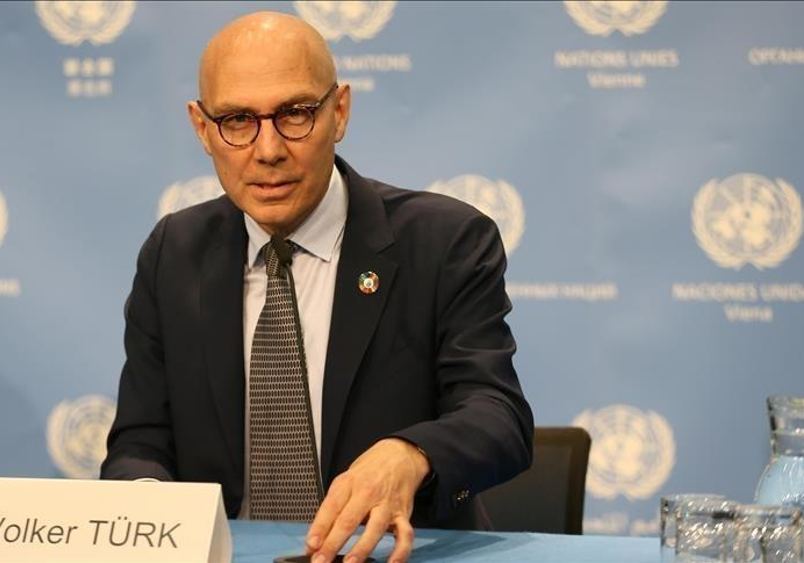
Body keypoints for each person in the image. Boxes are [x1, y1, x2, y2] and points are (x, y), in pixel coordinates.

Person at [102, 11, 533, 563]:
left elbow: (498, 414)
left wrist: (412, 452)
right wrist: (148, 511)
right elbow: (140, 440)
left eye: (295, 114)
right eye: (237, 120)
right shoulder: (173, 252)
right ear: (202, 129)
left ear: (340, 111)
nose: (268, 149)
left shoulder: (443, 241)